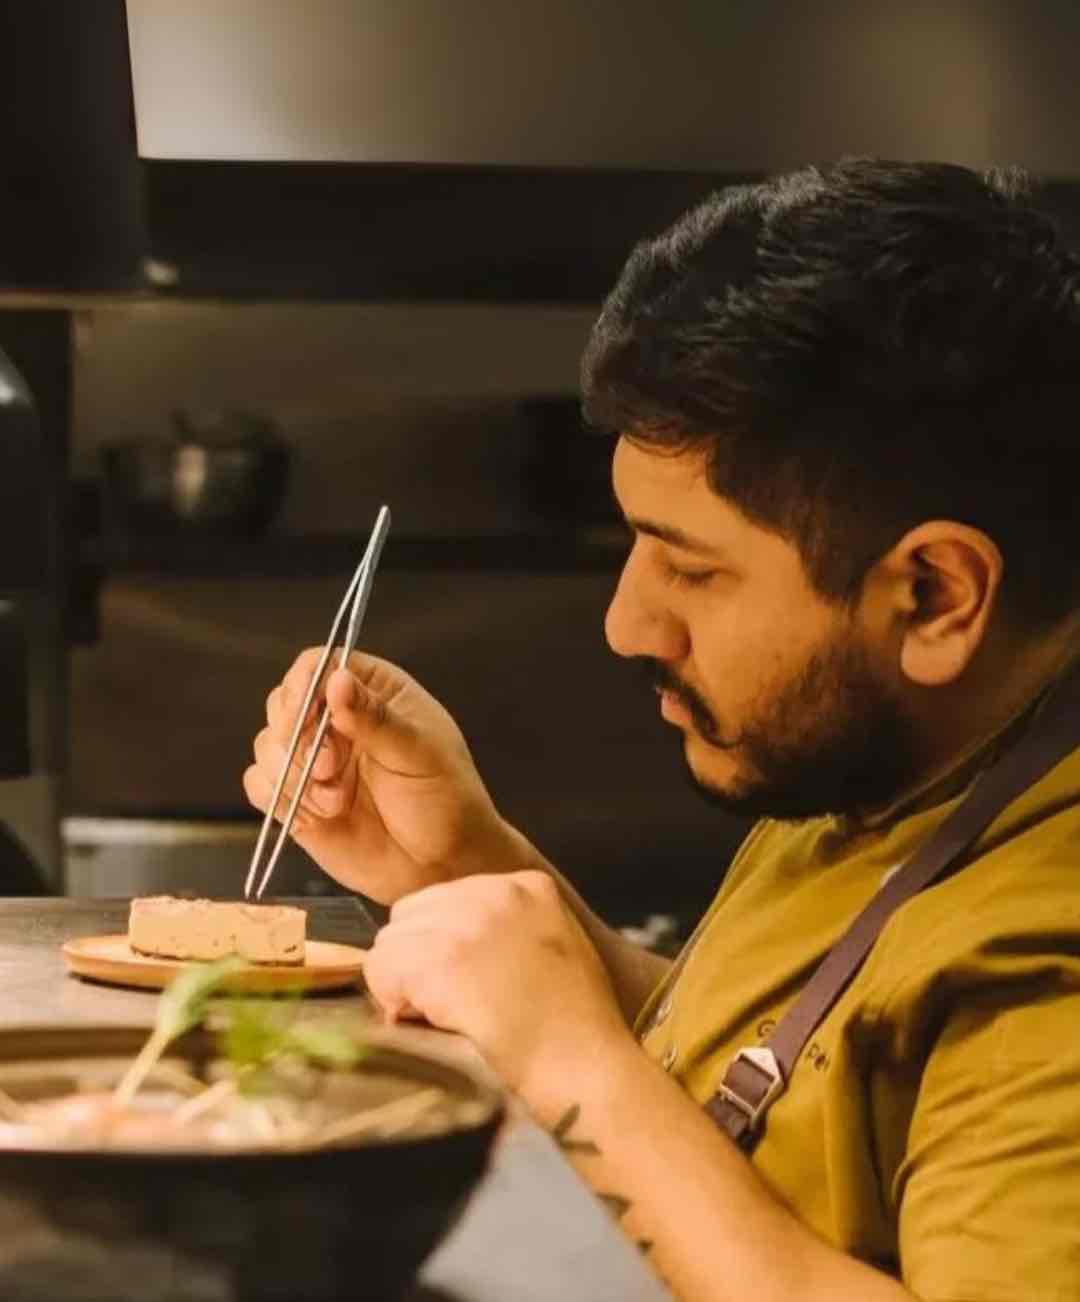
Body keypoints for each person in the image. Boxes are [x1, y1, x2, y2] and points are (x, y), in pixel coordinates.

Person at [245, 159, 1080, 1302]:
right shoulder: (894, 747)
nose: (626, 623)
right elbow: (777, 1083)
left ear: (933, 596)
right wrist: (461, 867)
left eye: (691, 569)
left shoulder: (1052, 959)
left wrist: (569, 1063)